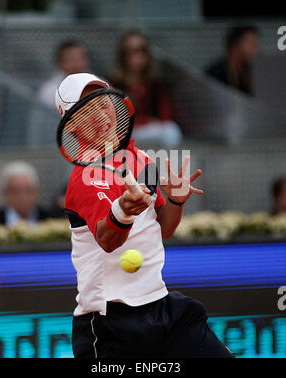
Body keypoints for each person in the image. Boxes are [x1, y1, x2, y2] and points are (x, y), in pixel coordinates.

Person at [55, 72, 234, 358]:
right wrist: (124, 211)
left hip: (162, 307)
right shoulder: (83, 179)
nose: (99, 115)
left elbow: (164, 229)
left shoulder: (144, 160)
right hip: (109, 323)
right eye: (86, 110)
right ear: (72, 125)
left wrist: (175, 200)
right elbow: (107, 239)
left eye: (103, 103)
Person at [111, 30, 182, 148]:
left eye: (141, 50)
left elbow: (166, 116)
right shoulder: (113, 85)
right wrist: (145, 121)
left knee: (172, 130)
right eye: (130, 51)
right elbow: (116, 121)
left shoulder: (156, 84)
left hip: (151, 131)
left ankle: (167, 164)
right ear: (122, 55)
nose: (136, 55)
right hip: (125, 134)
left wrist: (148, 123)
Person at [0, 161, 52, 227]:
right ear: (4, 193)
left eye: (27, 190)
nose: (21, 197)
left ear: (36, 192)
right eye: (14, 191)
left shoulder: (51, 221)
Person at [206, 25, 260, 95]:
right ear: (234, 46)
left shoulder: (253, 72)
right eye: (252, 44)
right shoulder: (216, 74)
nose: (257, 50)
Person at [38, 40, 90, 109]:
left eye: (81, 58)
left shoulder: (99, 84)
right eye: (72, 59)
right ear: (60, 62)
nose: (78, 64)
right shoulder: (50, 91)